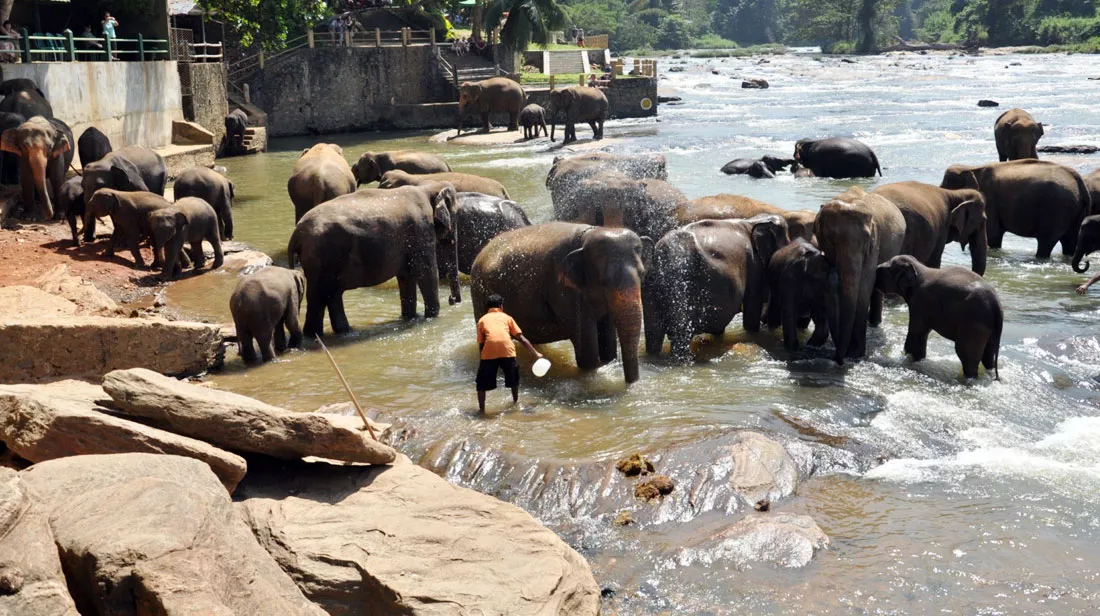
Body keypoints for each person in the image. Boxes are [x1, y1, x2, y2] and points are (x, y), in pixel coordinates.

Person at [475, 294, 542, 414]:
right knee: (513, 380)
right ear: (501, 306)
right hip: (508, 352)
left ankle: (481, 410)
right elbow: (521, 338)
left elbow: (481, 343)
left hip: (489, 354)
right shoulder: (507, 318)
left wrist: (483, 360)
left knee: (481, 384)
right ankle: (515, 402)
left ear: (487, 307)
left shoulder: (482, 320)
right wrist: (536, 353)